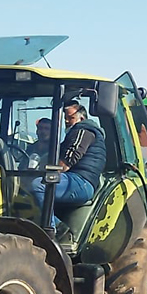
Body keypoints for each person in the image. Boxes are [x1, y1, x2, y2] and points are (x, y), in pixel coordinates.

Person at [32, 100, 106, 237]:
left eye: (70, 117)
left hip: (81, 182)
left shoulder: (83, 131)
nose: (66, 121)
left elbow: (66, 162)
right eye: (64, 117)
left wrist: (40, 171)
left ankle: (54, 230)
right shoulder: (76, 133)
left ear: (81, 117)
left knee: (38, 185)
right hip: (74, 179)